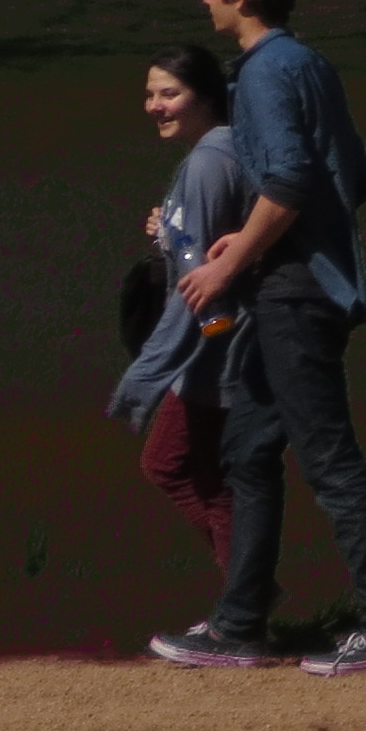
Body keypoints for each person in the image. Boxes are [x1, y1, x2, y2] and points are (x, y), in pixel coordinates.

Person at [148, 0, 366, 673]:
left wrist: (233, 256)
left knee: (328, 457)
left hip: (293, 292)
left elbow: (292, 183)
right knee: (249, 450)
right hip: (302, 281)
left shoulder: (267, 73)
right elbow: (352, 177)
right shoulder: (308, 65)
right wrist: (255, 237)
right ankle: (239, 625)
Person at [109, 42, 246, 559]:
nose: (155, 105)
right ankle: (246, 599)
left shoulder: (209, 162)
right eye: (149, 94)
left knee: (169, 464)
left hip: (212, 344)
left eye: (170, 93)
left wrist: (158, 364)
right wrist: (169, 228)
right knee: (209, 474)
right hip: (218, 339)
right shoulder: (223, 151)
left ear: (206, 96)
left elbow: (199, 271)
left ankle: (246, 596)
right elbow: (201, 240)